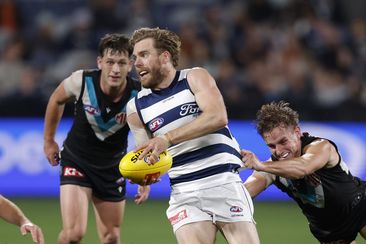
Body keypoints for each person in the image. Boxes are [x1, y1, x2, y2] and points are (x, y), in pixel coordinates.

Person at [126, 27, 260, 244]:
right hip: (183, 192)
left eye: (143, 55)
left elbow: (217, 116)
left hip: (223, 181)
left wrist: (167, 138)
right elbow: (149, 155)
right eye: (134, 58)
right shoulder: (136, 107)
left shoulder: (194, 77)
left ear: (165, 56)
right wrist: (144, 176)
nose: (137, 63)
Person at [43, 33, 150, 244]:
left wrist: (145, 174)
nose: (115, 69)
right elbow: (56, 99)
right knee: (73, 234)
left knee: (111, 237)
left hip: (112, 168)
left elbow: (145, 133)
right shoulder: (81, 81)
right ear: (100, 62)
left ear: (130, 65)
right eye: (110, 62)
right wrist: (48, 140)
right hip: (77, 161)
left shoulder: (139, 94)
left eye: (121, 63)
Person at [242, 101, 366, 243]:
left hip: (360, 205)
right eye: (271, 146)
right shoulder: (271, 169)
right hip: (329, 229)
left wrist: (261, 165)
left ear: (297, 132)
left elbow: (304, 167)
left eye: (283, 142)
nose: (279, 151)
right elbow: (244, 193)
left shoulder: (321, 146)